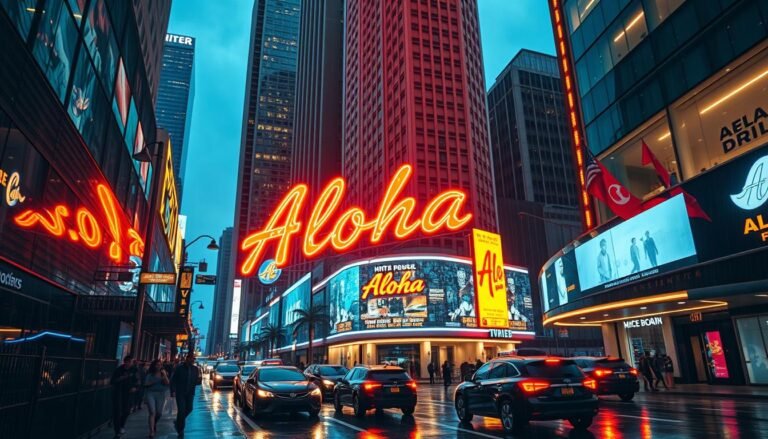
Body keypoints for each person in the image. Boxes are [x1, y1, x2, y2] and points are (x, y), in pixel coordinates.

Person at [171, 353, 201, 438]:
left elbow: (196, 379)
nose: (192, 360)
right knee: (181, 410)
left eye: (193, 359)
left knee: (189, 408)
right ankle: (180, 430)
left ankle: (178, 422)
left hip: (190, 393)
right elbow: (173, 380)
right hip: (180, 393)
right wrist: (173, 390)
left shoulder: (195, 369)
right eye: (191, 358)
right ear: (187, 359)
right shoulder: (179, 368)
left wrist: (197, 381)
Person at [110, 355, 137, 438]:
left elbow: (137, 380)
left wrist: (135, 387)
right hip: (119, 393)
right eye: (130, 362)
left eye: (132, 362)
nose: (131, 364)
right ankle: (117, 431)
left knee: (127, 411)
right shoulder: (119, 370)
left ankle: (122, 425)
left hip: (129, 393)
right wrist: (122, 378)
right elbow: (112, 381)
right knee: (117, 412)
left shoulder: (134, 370)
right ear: (126, 362)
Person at [143, 359, 170, 438]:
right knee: (152, 411)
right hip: (150, 393)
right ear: (154, 366)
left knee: (159, 413)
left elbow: (167, 383)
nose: (159, 366)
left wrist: (164, 375)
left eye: (160, 365)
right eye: (157, 365)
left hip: (160, 394)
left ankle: (154, 422)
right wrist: (156, 381)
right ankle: (151, 432)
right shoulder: (150, 374)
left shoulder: (163, 374)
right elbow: (146, 384)